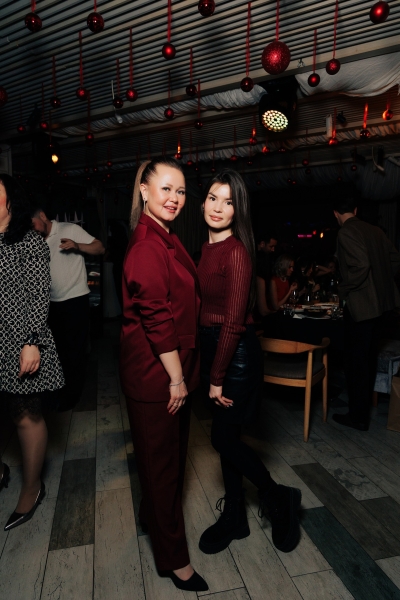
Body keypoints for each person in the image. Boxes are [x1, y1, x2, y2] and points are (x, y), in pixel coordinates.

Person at [197, 169, 301, 556]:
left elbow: (234, 323)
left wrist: (217, 376)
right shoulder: (205, 249)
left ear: (238, 209)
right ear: (203, 202)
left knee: (222, 438)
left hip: (235, 355)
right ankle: (236, 517)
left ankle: (277, 496)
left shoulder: (237, 252)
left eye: (228, 201)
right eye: (213, 198)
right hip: (215, 349)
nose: (218, 207)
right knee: (229, 439)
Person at [119, 157, 208, 593]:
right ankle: (174, 560)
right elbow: (156, 319)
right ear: (144, 191)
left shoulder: (164, 236)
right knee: (164, 470)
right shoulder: (146, 246)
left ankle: (150, 516)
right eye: (166, 188)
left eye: (181, 191)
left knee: (163, 463)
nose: (174, 198)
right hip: (158, 376)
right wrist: (176, 379)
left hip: (173, 370)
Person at [0, 174, 64, 530]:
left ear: (11, 201)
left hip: (19, 340)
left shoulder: (28, 241)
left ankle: (32, 487)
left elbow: (40, 294)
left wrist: (32, 342)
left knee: (25, 415)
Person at [333, 196, 400, 430]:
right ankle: (361, 414)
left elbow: (361, 265)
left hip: (361, 307)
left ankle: (358, 417)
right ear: (355, 210)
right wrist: (380, 280)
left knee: (355, 364)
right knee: (368, 361)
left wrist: (344, 288)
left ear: (335, 214)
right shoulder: (376, 231)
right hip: (381, 307)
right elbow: (395, 260)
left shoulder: (345, 232)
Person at [32, 209, 105, 411]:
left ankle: (71, 398)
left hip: (75, 300)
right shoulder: (34, 240)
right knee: (56, 352)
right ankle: (58, 393)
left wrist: (77, 246)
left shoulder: (69, 229)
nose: (31, 229)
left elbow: (99, 248)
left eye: (32, 224)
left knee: (75, 352)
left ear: (42, 216)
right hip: (50, 304)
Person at [255, 231, 278, 318]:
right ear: (262, 244)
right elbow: (263, 310)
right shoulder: (258, 260)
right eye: (271, 246)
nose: (273, 250)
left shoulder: (265, 257)